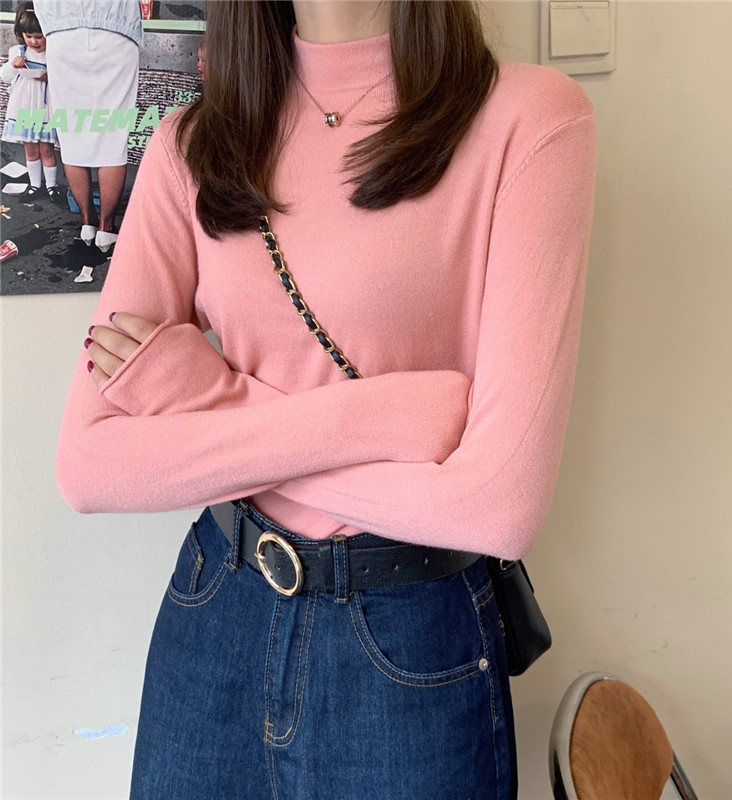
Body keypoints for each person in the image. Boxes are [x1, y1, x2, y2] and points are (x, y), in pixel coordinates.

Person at [55, 1, 597, 798]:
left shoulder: (529, 119)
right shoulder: (192, 143)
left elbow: (497, 508)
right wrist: (388, 419)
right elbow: (90, 465)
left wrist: (207, 398)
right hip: (216, 615)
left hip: (408, 636)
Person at [32, 0, 142, 250]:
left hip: (61, 30)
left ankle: (87, 223)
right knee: (113, 136)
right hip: (116, 28)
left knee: (71, 136)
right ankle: (106, 228)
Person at [0, 1, 63, 201]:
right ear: (21, 34)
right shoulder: (18, 52)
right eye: (29, 36)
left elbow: (65, 79)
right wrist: (13, 65)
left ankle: (52, 187)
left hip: (45, 107)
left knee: (47, 148)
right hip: (25, 106)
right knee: (30, 149)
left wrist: (51, 76)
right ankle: (35, 185)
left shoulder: (53, 55)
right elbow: (4, 77)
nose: (34, 41)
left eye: (38, 36)